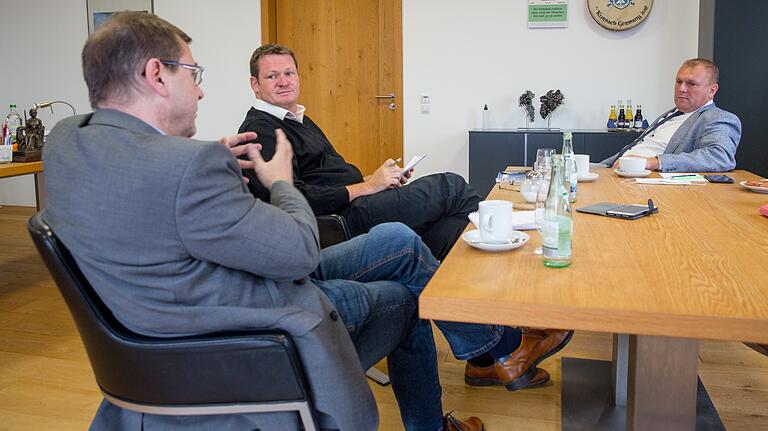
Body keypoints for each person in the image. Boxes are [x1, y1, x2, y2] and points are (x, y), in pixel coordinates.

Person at [41, 12, 569, 431]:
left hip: (176, 326)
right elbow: (295, 254)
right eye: (193, 73)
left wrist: (208, 154)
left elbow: (153, 173)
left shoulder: (66, 142)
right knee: (408, 298)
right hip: (255, 330)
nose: (200, 90)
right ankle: (479, 370)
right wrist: (280, 182)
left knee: (399, 238)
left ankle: (495, 352)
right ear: (157, 75)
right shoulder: (192, 168)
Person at [237, 44, 483, 261]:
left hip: (357, 203)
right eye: (272, 76)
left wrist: (377, 180)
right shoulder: (261, 130)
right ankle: (493, 260)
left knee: (450, 224)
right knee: (450, 187)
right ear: (255, 84)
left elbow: (328, 177)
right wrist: (368, 187)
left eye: (289, 73)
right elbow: (293, 197)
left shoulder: (300, 120)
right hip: (340, 220)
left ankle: (437, 278)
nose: (283, 81)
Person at [602, 58, 741, 172]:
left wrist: (654, 162)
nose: (681, 89)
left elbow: (719, 157)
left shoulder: (718, 118)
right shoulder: (671, 114)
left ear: (712, 90)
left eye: (691, 84)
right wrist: (601, 167)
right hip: (617, 171)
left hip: (647, 181)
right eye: (679, 81)